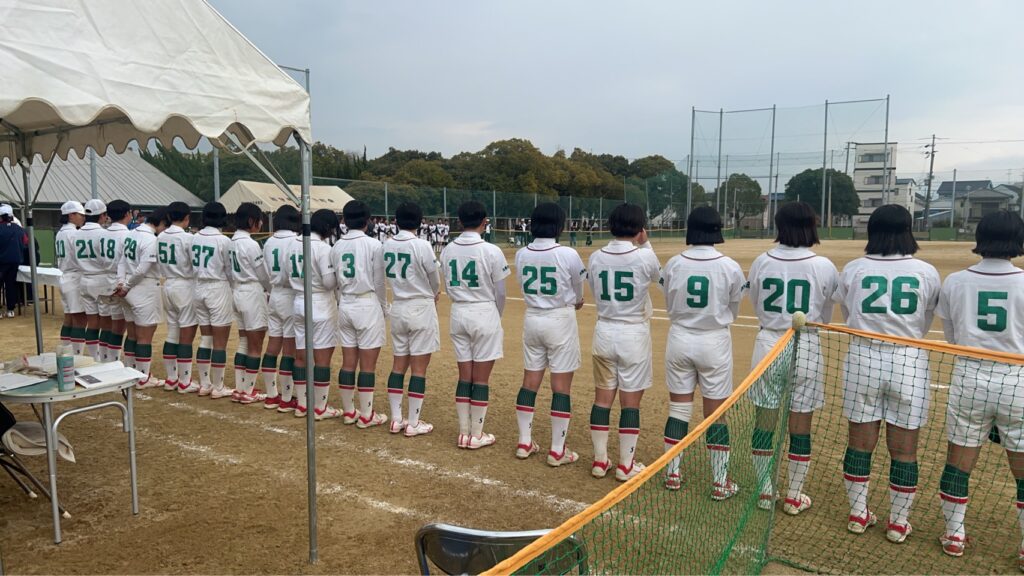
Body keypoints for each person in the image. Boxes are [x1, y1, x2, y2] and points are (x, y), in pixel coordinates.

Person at [835, 204, 940, 543]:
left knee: (859, 443)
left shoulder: (854, 269)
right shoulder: (926, 271)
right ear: (908, 230)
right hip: (908, 360)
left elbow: (847, 311)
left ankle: (858, 513)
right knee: (905, 450)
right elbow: (926, 318)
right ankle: (898, 522)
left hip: (863, 358)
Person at [935, 210, 1024, 561]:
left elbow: (951, 337)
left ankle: (954, 535)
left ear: (980, 238)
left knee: (959, 460)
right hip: (1017, 379)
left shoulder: (956, 281)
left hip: (970, 377)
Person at [747, 201, 839, 512]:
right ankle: (794, 495)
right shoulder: (823, 265)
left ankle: (764, 490)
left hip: (768, 343)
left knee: (764, 421)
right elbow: (826, 311)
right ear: (812, 226)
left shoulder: (762, 261)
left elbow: (756, 302)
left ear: (779, 225)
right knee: (801, 425)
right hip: (806, 345)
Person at [660, 207, 746, 496]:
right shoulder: (729, 266)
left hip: (680, 338)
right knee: (716, 415)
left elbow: (668, 300)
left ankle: (672, 474)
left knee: (678, 409)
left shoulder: (674, 263)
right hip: (714, 341)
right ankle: (720, 482)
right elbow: (734, 306)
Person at [587, 203, 661, 482]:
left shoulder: (596, 257)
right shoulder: (644, 256)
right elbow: (660, 278)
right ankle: (625, 466)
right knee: (630, 403)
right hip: (633, 334)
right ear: (640, 228)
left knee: (602, 399)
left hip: (604, 330)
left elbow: (594, 288)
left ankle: (600, 460)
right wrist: (646, 243)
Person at [513, 203, 585, 466]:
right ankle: (557, 450)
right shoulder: (567, 253)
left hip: (533, 317)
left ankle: (524, 442)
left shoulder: (522, 253)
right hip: (560, 319)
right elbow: (578, 286)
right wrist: (577, 300)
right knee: (561, 386)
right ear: (559, 225)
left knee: (530, 380)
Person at [441, 201, 509, 449]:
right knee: (480, 378)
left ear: (459, 222)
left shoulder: (447, 250)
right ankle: (476, 434)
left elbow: (447, 285)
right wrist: (495, 315)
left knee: (464, 375)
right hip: (484, 310)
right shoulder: (491, 250)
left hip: (459, 311)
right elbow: (501, 292)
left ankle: (463, 432)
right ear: (484, 222)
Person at [381, 201, 441, 437]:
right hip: (420, 306)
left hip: (399, 305)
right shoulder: (422, 245)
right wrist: (435, 292)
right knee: (418, 368)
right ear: (420, 221)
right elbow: (434, 277)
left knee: (398, 364)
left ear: (396, 221)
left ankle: (396, 419)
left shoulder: (386, 244)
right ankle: (413, 422)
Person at [332, 200, 388, 427]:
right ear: (368, 220)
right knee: (367, 365)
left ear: (345, 220)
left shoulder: (336, 246)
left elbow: (335, 281)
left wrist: (341, 302)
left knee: (348, 361)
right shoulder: (374, 245)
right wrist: (383, 307)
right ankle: (366, 414)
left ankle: (349, 411)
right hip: (367, 303)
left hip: (345, 303)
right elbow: (379, 282)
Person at [285, 208, 339, 419]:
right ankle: (320, 407)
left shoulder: (292, 244)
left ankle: (302, 403)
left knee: (301, 355)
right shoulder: (322, 248)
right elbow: (328, 282)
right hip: (320, 304)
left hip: (298, 301)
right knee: (322, 357)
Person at [117, 208, 169, 389]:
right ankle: (143, 377)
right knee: (145, 336)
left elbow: (122, 261)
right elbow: (142, 269)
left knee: (132, 333)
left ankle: (131, 372)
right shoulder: (150, 239)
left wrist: (122, 282)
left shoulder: (130, 234)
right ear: (161, 223)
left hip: (128, 287)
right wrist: (127, 285)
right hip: (143, 287)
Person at [189, 202, 235, 399]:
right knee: (220, 342)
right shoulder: (223, 241)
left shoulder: (194, 238)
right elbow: (229, 270)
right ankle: (218, 386)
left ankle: (205, 383)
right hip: (217, 287)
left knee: (206, 337)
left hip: (198, 287)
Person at [230, 202, 273, 405]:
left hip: (237, 291)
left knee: (244, 341)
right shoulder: (251, 244)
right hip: (252, 292)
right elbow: (262, 274)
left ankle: (241, 388)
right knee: (255, 344)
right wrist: (271, 290)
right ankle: (248, 390)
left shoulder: (231, 241)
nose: (261, 224)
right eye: (259, 220)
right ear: (251, 221)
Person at [157, 201, 199, 393]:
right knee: (186, 335)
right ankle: (185, 381)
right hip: (184, 285)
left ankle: (172, 378)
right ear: (187, 217)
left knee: (173, 332)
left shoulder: (161, 236)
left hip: (167, 284)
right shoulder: (188, 238)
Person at [263, 206, 301, 413]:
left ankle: (271, 395)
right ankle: (286, 397)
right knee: (289, 349)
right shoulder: (296, 241)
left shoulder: (269, 241)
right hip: (290, 295)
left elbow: (265, 271)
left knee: (273, 344)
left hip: (274, 294)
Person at [97, 199, 132, 363]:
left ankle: (104, 360)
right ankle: (113, 362)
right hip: (119, 280)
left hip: (104, 278)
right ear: (127, 214)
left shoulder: (102, 234)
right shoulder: (127, 235)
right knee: (119, 326)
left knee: (106, 324)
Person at [75, 199, 110, 359]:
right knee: (106, 322)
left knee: (92, 321)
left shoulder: (76, 233)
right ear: (102, 215)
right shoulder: (104, 234)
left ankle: (93, 357)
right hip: (101, 279)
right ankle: (104, 358)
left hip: (84, 278)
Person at [55, 201, 87, 352]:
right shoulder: (74, 233)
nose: (83, 218)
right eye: (80, 215)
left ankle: (66, 352)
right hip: (74, 277)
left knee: (69, 318)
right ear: (71, 215)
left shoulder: (61, 232)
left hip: (65, 276)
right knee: (79, 319)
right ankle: (75, 355)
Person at [0, 205, 26, 318]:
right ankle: (10, 310)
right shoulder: (19, 229)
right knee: (11, 285)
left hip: (1, 262)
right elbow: (25, 243)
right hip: (15, 261)